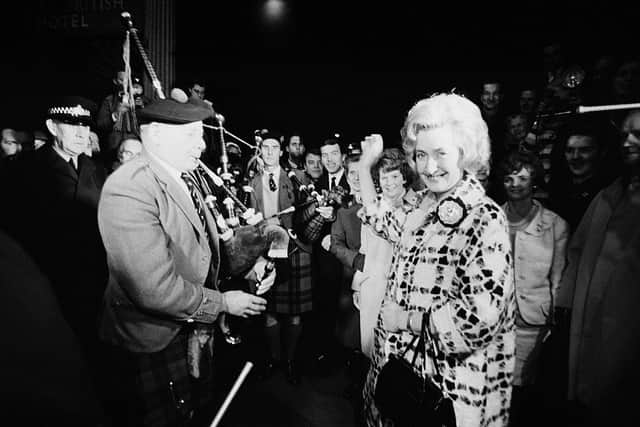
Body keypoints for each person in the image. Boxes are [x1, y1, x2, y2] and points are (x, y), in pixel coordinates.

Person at [97, 90, 275, 426]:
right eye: (191, 135)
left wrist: (252, 265)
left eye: (200, 134)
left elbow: (207, 248)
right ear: (156, 136)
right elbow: (153, 290)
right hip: (152, 341)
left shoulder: (187, 176)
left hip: (190, 331)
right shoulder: (129, 188)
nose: (202, 145)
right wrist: (222, 302)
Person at [358, 93, 516, 427]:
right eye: (421, 155)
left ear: (465, 151)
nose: (429, 167)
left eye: (440, 153)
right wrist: (363, 167)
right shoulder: (423, 206)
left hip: (446, 398)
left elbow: (477, 320)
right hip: (398, 386)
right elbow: (380, 219)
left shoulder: (483, 218)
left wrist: (406, 319)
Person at [5, 96, 108, 361]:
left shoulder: (98, 171)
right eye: (72, 124)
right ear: (52, 127)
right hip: (49, 290)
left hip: (96, 288)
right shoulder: (23, 172)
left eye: (85, 125)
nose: (81, 132)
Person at [555, 109, 640, 426]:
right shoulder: (609, 195)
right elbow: (576, 255)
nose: (629, 142)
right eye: (625, 135)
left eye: (638, 135)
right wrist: (564, 303)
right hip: (589, 316)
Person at [498, 150, 568, 426]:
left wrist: (554, 323)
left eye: (523, 177)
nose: (515, 183)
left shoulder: (555, 224)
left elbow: (558, 278)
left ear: (534, 181)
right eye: (509, 178)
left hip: (533, 324)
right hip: (496, 323)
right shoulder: (492, 219)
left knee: (522, 394)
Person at [247, 130, 313, 385]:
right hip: (264, 250)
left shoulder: (297, 178)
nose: (271, 152)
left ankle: (291, 360)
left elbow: (307, 214)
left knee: (295, 313)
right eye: (266, 147)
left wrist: (286, 223)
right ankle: (275, 359)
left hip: (294, 249)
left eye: (275, 147)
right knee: (269, 311)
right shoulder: (251, 181)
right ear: (260, 151)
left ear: (282, 150)